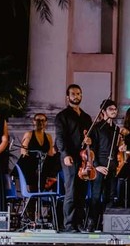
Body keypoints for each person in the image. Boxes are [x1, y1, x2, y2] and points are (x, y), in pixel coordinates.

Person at [55, 83, 93, 233]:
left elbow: (91, 137)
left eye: (78, 94)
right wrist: (65, 154)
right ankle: (69, 224)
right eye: (73, 94)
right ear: (67, 97)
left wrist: (90, 141)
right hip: (69, 157)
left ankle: (79, 223)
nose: (76, 96)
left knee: (82, 191)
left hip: (83, 158)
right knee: (71, 190)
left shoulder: (86, 117)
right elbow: (60, 138)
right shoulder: (62, 116)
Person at [84, 99, 121, 232]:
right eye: (111, 109)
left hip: (112, 165)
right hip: (99, 165)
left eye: (115, 109)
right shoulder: (96, 127)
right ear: (103, 111)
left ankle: (107, 223)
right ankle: (91, 223)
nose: (114, 111)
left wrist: (120, 150)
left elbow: (115, 149)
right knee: (96, 195)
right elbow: (91, 149)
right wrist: (97, 166)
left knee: (110, 197)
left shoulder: (116, 129)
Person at [18, 113, 59, 192]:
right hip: (31, 167)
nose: (40, 122)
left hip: (43, 166)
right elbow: (23, 152)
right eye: (38, 120)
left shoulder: (48, 136)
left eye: (43, 120)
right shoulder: (29, 134)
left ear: (46, 122)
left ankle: (50, 181)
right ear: (34, 122)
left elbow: (50, 154)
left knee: (58, 157)